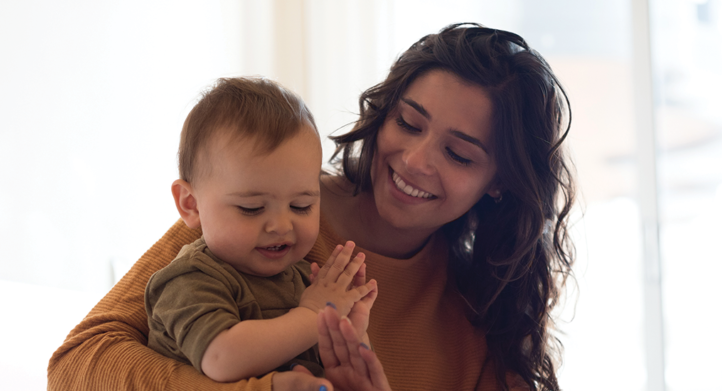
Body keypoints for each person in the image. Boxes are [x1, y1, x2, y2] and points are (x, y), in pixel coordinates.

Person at [48, 22, 575, 391]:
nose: (414, 160)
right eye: (408, 124)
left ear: (499, 182)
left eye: (458, 154)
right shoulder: (262, 211)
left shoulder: (481, 314)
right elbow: (77, 368)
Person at [143, 77, 377, 384]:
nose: (281, 226)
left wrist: (348, 334)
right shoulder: (188, 279)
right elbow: (222, 358)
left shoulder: (306, 281)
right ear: (191, 205)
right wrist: (314, 314)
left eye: (301, 205)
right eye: (251, 209)